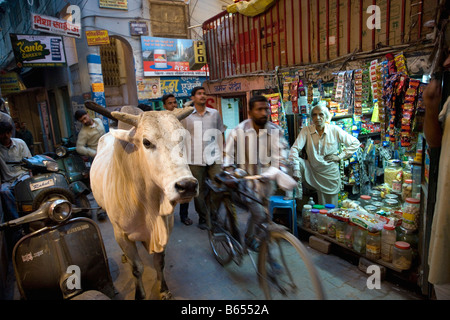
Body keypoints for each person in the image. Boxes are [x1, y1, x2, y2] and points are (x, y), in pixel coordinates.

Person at [223, 95, 289, 250]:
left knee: (262, 212)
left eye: (266, 109)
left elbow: (282, 153)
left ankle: (249, 237)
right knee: (261, 215)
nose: (264, 113)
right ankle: (260, 246)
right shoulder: (239, 131)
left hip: (267, 182)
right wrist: (230, 172)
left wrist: (281, 167)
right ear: (250, 112)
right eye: (259, 109)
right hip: (247, 182)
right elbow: (227, 155)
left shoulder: (275, 131)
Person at [289, 104, 360, 206]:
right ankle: (296, 195)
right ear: (311, 117)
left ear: (326, 117)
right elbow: (294, 149)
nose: (317, 118)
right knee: (296, 162)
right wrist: (295, 169)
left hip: (329, 173)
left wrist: (340, 156)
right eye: (314, 115)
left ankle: (328, 221)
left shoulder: (334, 130)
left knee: (330, 207)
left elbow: (355, 143)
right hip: (312, 170)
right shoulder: (306, 130)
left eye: (321, 114)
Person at [423, 63, 450, 299]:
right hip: (446, 208)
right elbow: (434, 141)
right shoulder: (449, 103)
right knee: (442, 281)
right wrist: (430, 108)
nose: (447, 64)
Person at [180, 87, 225, 229]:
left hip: (214, 156)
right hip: (194, 158)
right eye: (199, 94)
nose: (203, 96)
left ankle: (213, 213)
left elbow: (220, 133)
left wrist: (223, 152)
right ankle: (203, 217)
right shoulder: (185, 116)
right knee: (198, 191)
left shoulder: (214, 114)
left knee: (219, 185)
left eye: (204, 93)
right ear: (192, 98)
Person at [163, 93, 192, 226]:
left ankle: (184, 215)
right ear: (164, 106)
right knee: (168, 189)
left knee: (185, 187)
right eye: (170, 103)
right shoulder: (161, 120)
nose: (173, 105)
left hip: (184, 158)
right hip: (167, 161)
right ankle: (167, 215)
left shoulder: (183, 117)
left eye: (175, 102)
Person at [0, 121, 32, 223]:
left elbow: (29, 161)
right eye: (2, 133)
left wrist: (31, 176)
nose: (6, 136)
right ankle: (16, 221)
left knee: (28, 186)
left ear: (11, 133)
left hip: (22, 175)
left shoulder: (20, 143)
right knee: (4, 191)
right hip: (8, 180)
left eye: (8, 133)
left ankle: (31, 215)